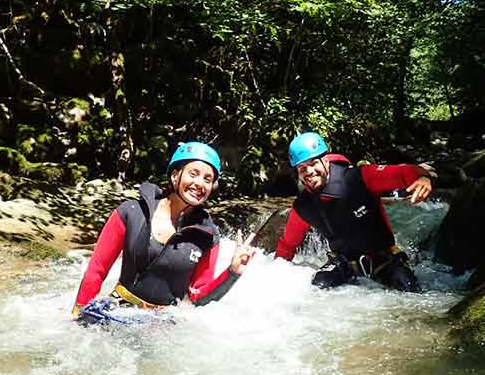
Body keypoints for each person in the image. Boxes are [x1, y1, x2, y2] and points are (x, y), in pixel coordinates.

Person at [72, 142, 255, 319]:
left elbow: (198, 297)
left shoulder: (208, 235)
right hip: (120, 312)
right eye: (193, 174)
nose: (200, 184)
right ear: (175, 176)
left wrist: (232, 272)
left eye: (208, 179)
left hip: (163, 325)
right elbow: (97, 269)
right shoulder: (131, 212)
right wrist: (78, 315)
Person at [273, 131, 436, 292]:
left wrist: (422, 177)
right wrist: (273, 275)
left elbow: (403, 172)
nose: (308, 172)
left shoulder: (361, 177)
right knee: (318, 286)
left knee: (407, 287)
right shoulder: (303, 206)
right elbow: (287, 246)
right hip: (345, 265)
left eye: (313, 163)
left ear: (325, 160)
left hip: (383, 259)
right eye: (302, 168)